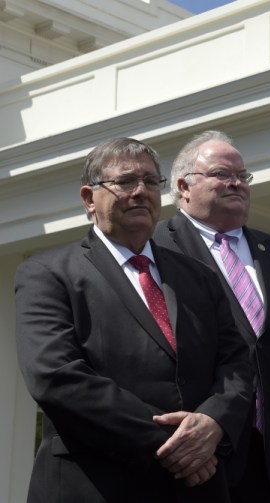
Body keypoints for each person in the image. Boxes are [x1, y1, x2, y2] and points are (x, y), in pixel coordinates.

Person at [15, 138, 254, 502]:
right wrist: (176, 444)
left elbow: (235, 363)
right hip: (95, 483)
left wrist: (215, 423)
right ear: (88, 198)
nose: (141, 192)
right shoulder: (46, 273)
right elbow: (56, 376)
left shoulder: (199, 277)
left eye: (150, 182)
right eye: (126, 181)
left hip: (196, 488)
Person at [153, 130, 270, 503]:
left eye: (243, 176)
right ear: (183, 186)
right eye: (223, 174)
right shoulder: (157, 248)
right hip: (201, 455)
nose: (237, 184)